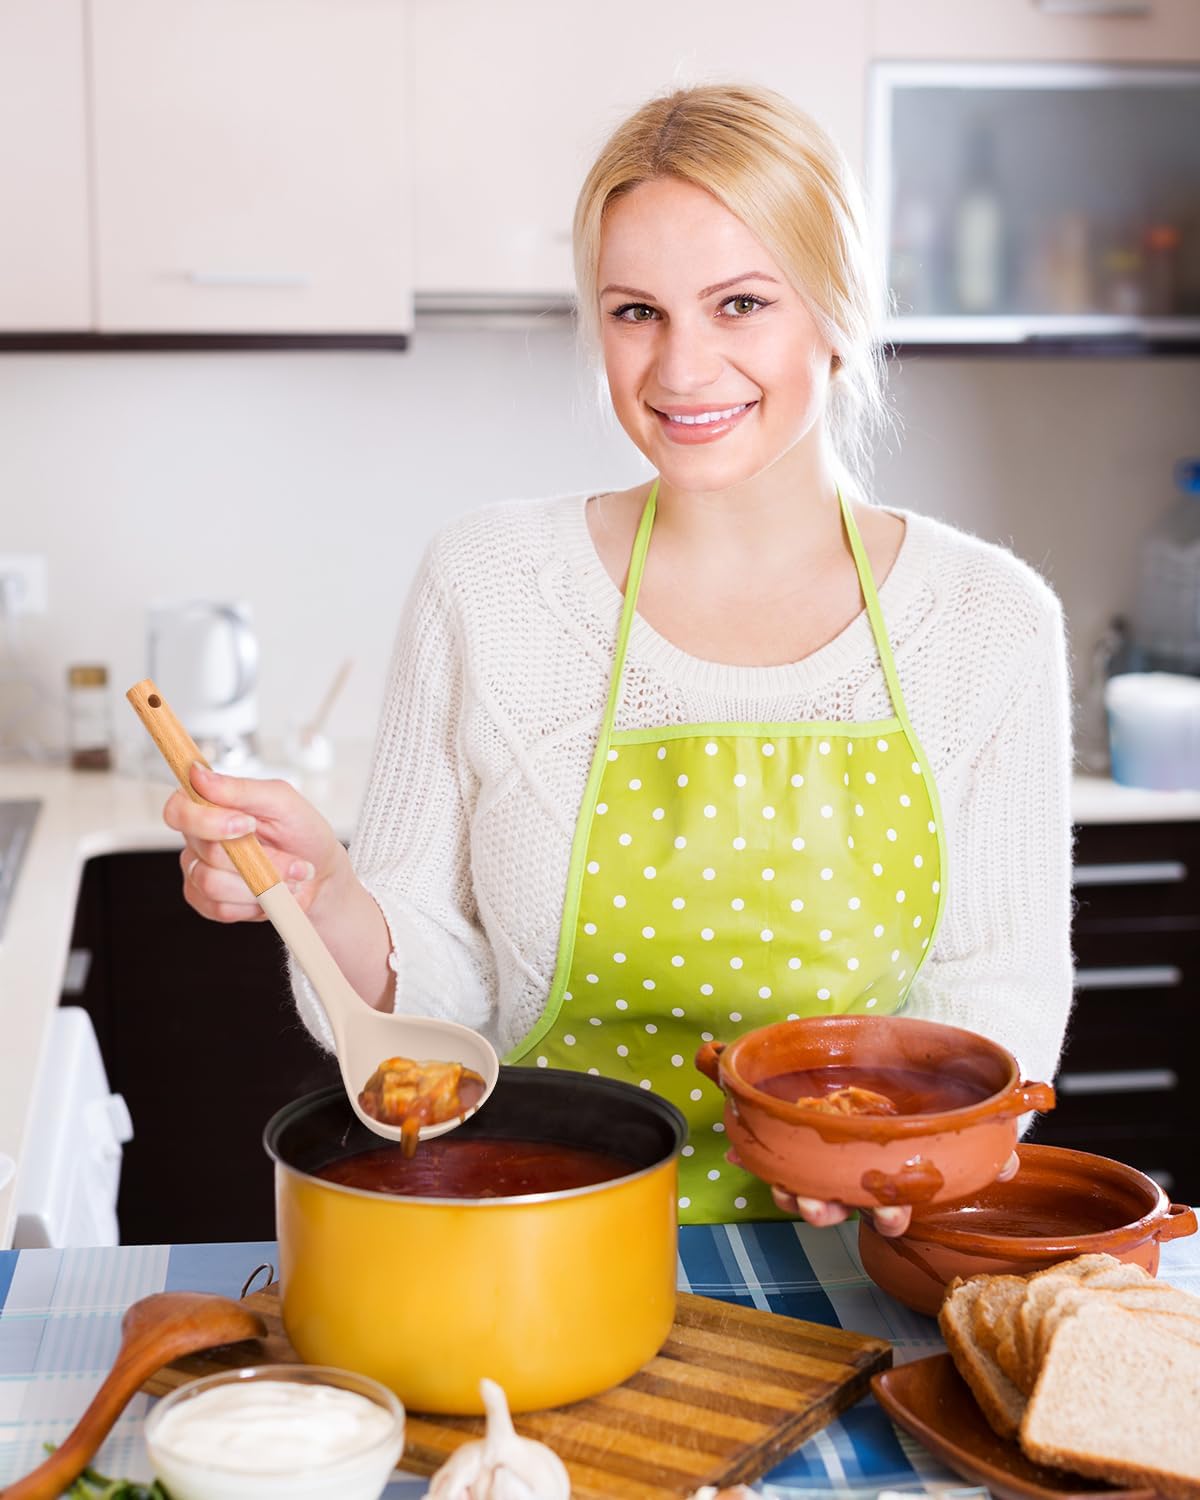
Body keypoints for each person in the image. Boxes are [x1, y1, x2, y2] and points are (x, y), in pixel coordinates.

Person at [164, 83, 1073, 1231]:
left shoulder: (989, 621)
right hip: (529, 1231)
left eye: (740, 303)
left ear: (836, 310)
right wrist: (329, 894)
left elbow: (998, 987)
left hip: (849, 1260)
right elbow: (437, 992)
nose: (680, 370)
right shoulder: (488, 585)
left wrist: (912, 1154)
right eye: (636, 312)